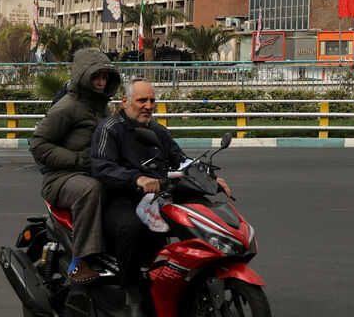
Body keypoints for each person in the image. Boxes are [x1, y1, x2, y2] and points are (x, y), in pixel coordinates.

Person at [91, 78, 231, 300]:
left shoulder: (159, 131)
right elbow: (102, 167)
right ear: (125, 101)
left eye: (152, 101)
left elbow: (181, 161)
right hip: (121, 198)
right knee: (132, 228)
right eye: (142, 100)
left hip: (157, 198)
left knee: (194, 220)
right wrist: (136, 178)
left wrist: (210, 179)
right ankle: (132, 294)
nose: (148, 105)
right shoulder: (109, 129)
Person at [28, 47, 121, 285]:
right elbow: (38, 144)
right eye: (95, 77)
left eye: (104, 77)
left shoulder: (102, 106)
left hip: (90, 173)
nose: (101, 82)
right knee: (91, 190)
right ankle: (78, 261)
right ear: (83, 76)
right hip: (60, 179)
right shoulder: (67, 107)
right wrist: (78, 161)